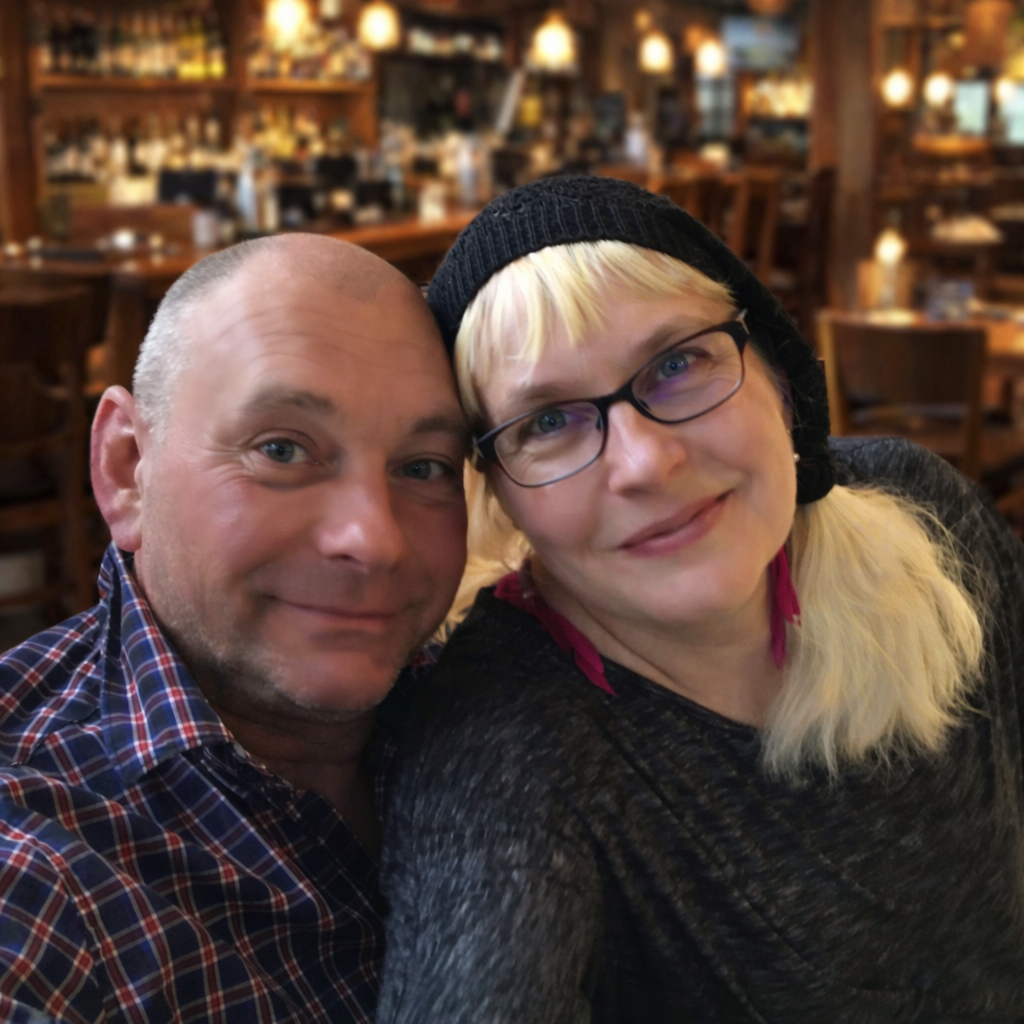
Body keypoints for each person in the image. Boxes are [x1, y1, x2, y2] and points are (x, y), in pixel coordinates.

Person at [377, 177, 1024, 1023]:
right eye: (548, 422)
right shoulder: (503, 747)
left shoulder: (924, 511)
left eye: (677, 364)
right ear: (498, 493)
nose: (646, 463)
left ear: (778, 374)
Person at [0, 234, 468, 1022]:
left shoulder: (496, 706)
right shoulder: (39, 870)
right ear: (126, 467)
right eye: (282, 449)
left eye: (423, 467)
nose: (375, 539)